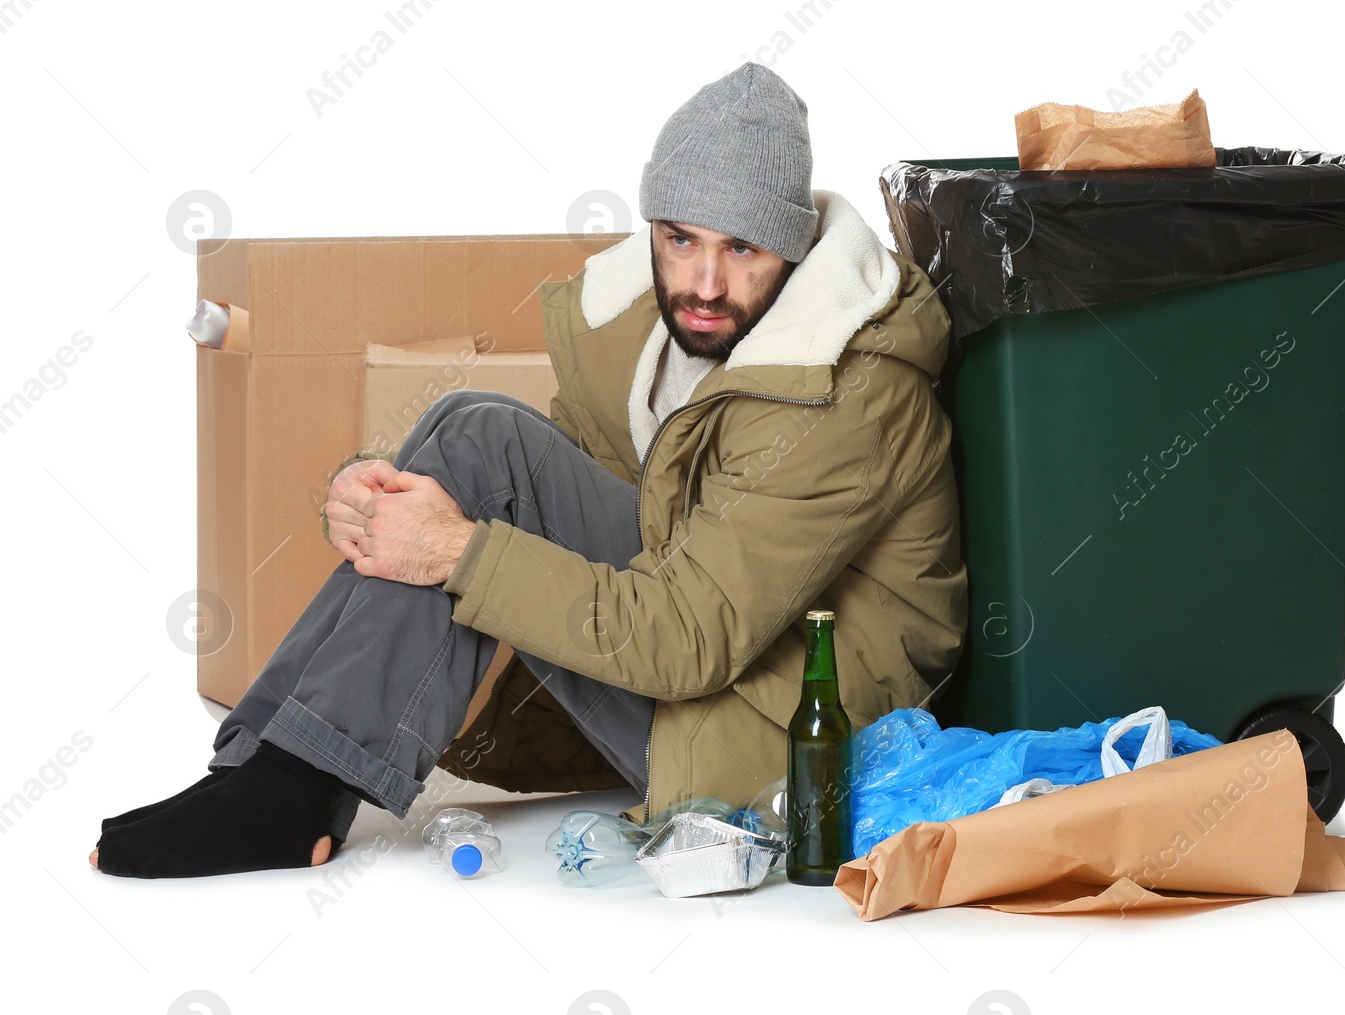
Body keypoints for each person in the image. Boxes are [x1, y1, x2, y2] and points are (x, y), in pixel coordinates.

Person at [91, 61, 967, 878]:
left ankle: (286, 792)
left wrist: (455, 552)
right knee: (473, 430)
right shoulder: (652, 331)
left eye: (743, 249)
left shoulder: (846, 392)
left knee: (475, 469)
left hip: (792, 737)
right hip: (708, 652)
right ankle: (270, 769)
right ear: (653, 228)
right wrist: (377, 496)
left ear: (797, 246)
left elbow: (691, 640)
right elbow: (541, 484)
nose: (702, 282)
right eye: (679, 239)